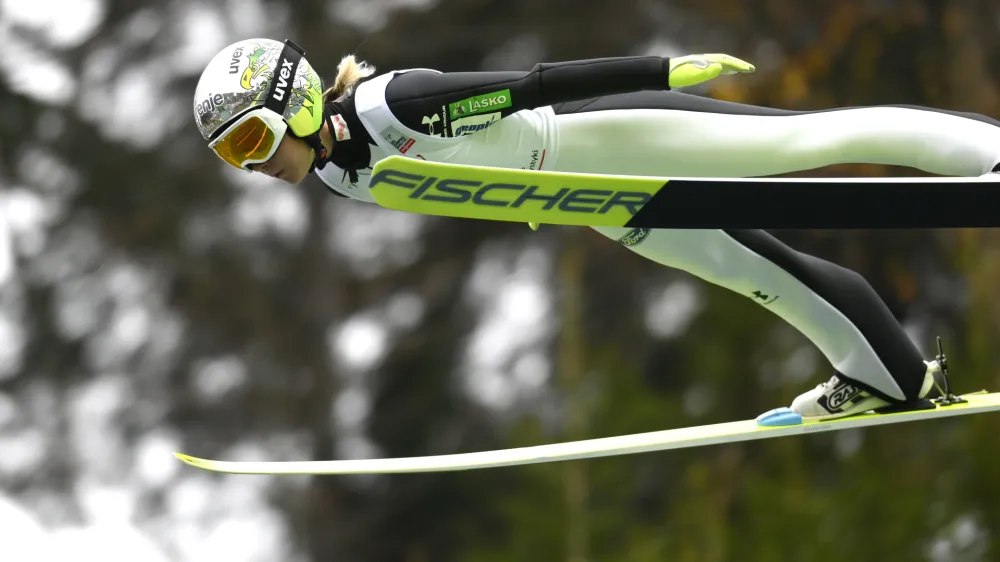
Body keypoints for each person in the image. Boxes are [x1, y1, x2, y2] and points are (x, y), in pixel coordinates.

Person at [193, 38, 1000, 422]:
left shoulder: (392, 107)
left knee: (808, 142)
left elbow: (525, 86)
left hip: (613, 137)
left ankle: (988, 157)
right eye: (234, 156)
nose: (255, 165)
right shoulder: (336, 174)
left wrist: (657, 72)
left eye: (254, 140)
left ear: (299, 103)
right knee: (760, 272)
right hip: (603, 205)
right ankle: (888, 376)